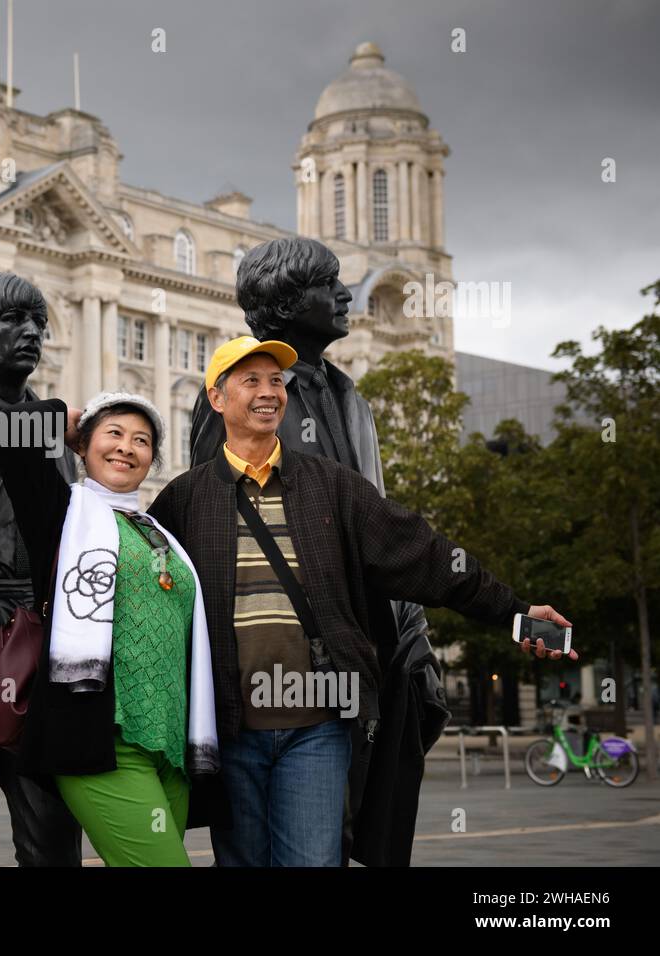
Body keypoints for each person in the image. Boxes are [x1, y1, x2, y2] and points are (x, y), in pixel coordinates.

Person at [147, 335, 575, 867]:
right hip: (231, 731)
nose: (268, 392)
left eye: (277, 381)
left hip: (319, 725)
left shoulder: (332, 487)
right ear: (217, 399)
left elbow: (426, 555)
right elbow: (147, 605)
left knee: (313, 862)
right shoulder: (183, 501)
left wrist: (513, 612)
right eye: (250, 380)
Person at [189, 236, 436, 865]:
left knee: (349, 839)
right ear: (287, 301)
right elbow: (212, 534)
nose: (345, 294)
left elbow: (380, 527)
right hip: (268, 670)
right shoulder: (236, 396)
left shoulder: (349, 396)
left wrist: (412, 627)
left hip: (361, 649)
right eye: (329, 284)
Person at [0, 391, 219, 866]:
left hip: (171, 746)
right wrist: (69, 418)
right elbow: (10, 434)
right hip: (102, 739)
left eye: (141, 440)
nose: (126, 447)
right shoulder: (62, 515)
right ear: (82, 446)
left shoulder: (162, 534)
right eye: (113, 433)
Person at [0, 273, 83, 866]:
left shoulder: (50, 428)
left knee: (52, 828)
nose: (32, 333)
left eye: (39, 323)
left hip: (33, 634)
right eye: (13, 321)